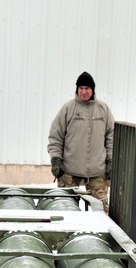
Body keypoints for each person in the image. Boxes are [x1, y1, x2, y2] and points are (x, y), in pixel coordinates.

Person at [48, 72, 115, 207]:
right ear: (77, 89)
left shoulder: (103, 110)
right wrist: (56, 160)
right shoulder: (68, 108)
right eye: (81, 88)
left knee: (102, 211)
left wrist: (110, 161)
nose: (84, 92)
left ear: (93, 90)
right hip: (69, 171)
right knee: (65, 209)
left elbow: (111, 138)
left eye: (87, 88)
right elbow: (56, 136)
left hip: (97, 171)